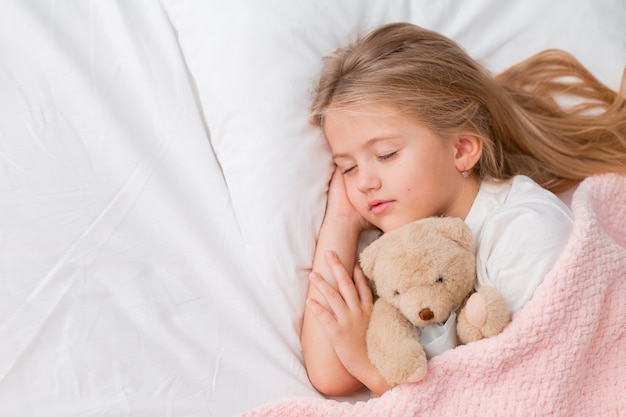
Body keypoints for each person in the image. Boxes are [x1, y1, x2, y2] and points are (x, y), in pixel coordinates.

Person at [300, 22, 626, 397]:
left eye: (385, 154)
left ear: (461, 150)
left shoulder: (524, 230)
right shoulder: (396, 250)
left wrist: (368, 365)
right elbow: (329, 375)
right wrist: (341, 222)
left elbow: (512, 392)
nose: (363, 182)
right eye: (348, 167)